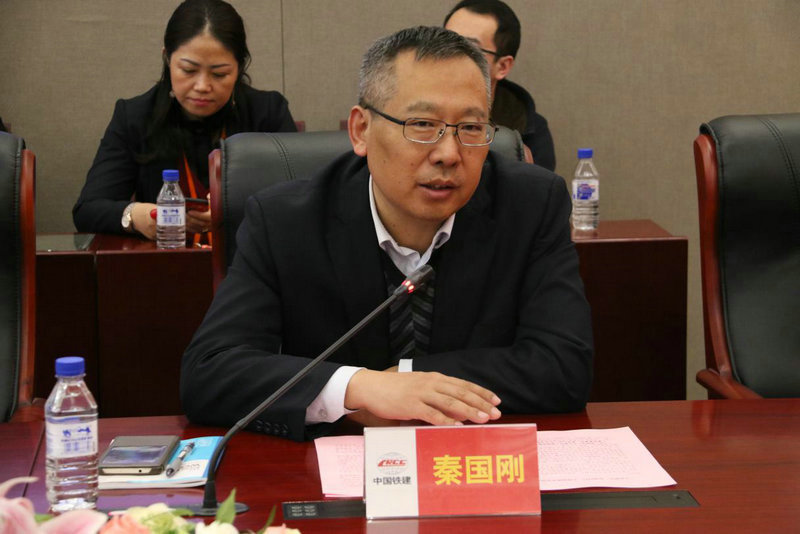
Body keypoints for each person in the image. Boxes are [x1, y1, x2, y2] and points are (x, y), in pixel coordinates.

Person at [181, 26, 593, 441]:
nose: (449, 154)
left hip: (472, 459)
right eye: (422, 124)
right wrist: (358, 389)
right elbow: (210, 371)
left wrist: (408, 380)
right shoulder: (285, 221)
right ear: (361, 130)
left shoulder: (531, 205)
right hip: (334, 464)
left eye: (470, 127)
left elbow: (564, 366)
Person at [73, 0, 296, 240]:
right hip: (165, 257)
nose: (202, 86)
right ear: (167, 59)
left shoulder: (268, 113)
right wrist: (136, 215)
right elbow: (88, 209)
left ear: (239, 68)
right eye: (189, 70)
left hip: (248, 257)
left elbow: (303, 201)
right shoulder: (135, 117)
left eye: (219, 74)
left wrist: (235, 211)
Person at [444, 0, 556, 171]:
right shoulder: (408, 113)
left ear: (502, 66)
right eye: (444, 43)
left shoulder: (529, 132)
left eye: (468, 49)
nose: (449, 56)